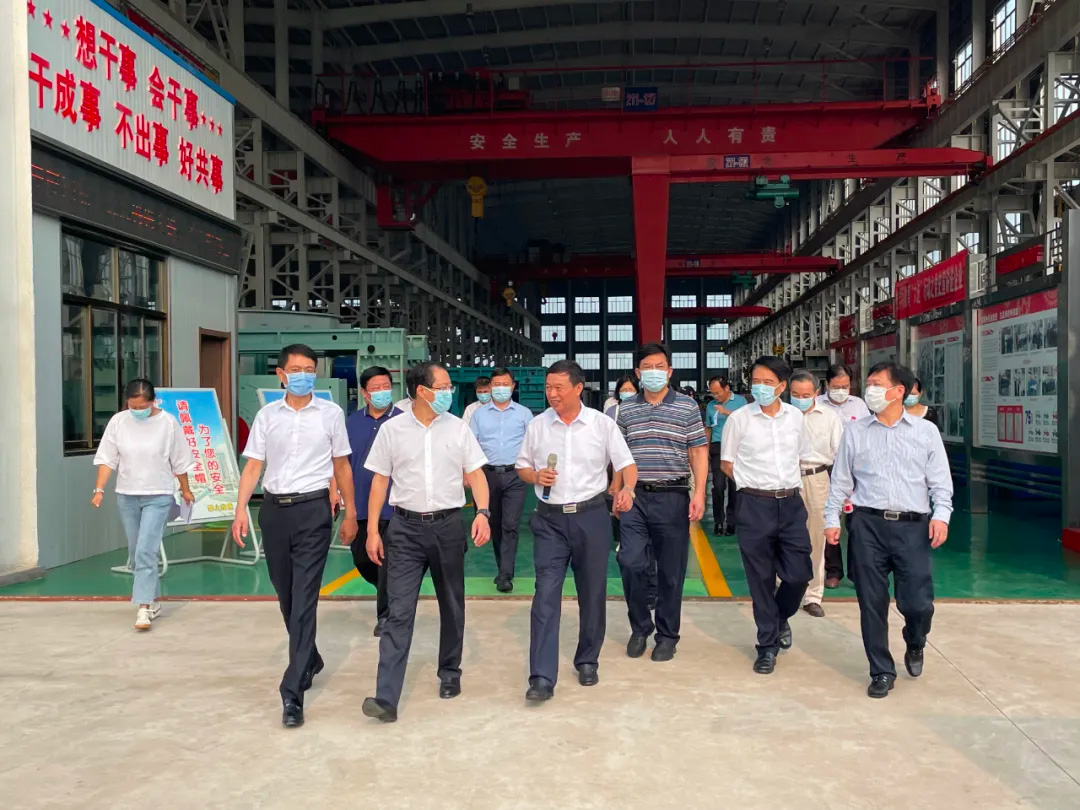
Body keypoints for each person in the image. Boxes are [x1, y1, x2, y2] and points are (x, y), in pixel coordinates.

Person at [232, 344, 357, 729]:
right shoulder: (267, 416)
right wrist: (240, 509)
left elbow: (342, 466)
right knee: (285, 593)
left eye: (309, 369)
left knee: (304, 597)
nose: (303, 375)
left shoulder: (331, 414)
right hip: (274, 511)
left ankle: (292, 692)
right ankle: (311, 658)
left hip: (314, 511)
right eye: (296, 369)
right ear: (281, 374)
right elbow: (253, 466)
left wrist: (351, 511)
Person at [361, 361, 491, 723]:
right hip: (404, 530)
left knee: (452, 604)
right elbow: (379, 482)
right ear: (422, 391)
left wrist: (483, 512)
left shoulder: (457, 428)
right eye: (444, 386)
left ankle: (449, 671)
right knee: (398, 611)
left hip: (447, 527)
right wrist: (372, 530)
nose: (450, 392)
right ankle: (386, 696)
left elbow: (476, 474)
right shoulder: (392, 430)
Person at [825, 362, 953, 699]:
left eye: (877, 384)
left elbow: (940, 481)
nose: (870, 390)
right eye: (868, 384)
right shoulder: (856, 431)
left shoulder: (925, 432)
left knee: (918, 603)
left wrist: (941, 516)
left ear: (899, 391)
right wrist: (831, 519)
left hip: (913, 527)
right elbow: (841, 480)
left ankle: (916, 639)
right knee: (871, 601)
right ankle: (881, 670)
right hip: (867, 525)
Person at [516, 360, 637, 700]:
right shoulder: (538, 425)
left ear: (578, 388)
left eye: (559, 388)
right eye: (548, 388)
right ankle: (541, 678)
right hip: (549, 521)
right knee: (545, 595)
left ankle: (587, 659)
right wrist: (535, 476)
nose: (552, 394)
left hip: (591, 517)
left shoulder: (601, 424)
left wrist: (628, 489)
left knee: (592, 592)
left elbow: (626, 463)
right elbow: (522, 466)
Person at [615, 344, 709, 663]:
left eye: (660, 367)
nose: (653, 372)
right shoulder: (626, 409)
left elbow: (698, 451)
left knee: (671, 571)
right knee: (630, 561)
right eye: (647, 367)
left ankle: (667, 636)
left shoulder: (687, 406)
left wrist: (699, 493)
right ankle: (640, 626)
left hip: (673, 495)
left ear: (669, 371)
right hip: (634, 496)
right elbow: (619, 454)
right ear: (638, 373)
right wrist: (617, 491)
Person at [720, 355, 812, 675]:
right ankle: (767, 646)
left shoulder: (795, 418)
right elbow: (727, 462)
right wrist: (749, 486)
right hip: (754, 505)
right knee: (760, 578)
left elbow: (802, 455)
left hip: (790, 504)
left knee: (799, 574)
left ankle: (780, 616)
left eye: (767, 382)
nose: (760, 387)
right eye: (756, 381)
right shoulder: (739, 419)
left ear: (782, 386)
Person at [92, 378, 195, 631]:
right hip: (127, 495)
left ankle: (143, 607)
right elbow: (107, 459)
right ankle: (153, 598)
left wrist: (185, 489)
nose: (137, 411)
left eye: (142, 407)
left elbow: (179, 461)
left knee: (145, 550)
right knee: (136, 550)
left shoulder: (168, 423)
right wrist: (99, 489)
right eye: (132, 406)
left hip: (158, 495)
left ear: (153, 401)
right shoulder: (118, 422)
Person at [345, 365, 402, 637]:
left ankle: (386, 616)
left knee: (387, 562)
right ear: (365, 393)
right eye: (376, 388)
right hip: (360, 505)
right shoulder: (351, 423)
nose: (382, 392)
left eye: (386, 387)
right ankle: (391, 592)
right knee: (363, 560)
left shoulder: (403, 422)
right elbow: (341, 464)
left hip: (393, 506)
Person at [469, 367, 533, 593]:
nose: (501, 389)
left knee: (510, 524)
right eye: (496, 385)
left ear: (513, 386)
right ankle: (502, 567)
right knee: (494, 524)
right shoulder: (478, 415)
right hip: (487, 476)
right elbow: (471, 445)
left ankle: (506, 574)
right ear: (490, 386)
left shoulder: (524, 414)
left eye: (505, 384)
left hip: (516, 475)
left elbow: (532, 444)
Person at [788, 371, 843, 618]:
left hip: (817, 478)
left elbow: (840, 454)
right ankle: (783, 585)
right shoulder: (782, 416)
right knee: (782, 534)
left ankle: (812, 595)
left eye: (805, 395)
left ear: (816, 393)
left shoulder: (829, 418)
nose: (800, 399)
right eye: (795, 394)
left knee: (816, 538)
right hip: (784, 478)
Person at [819, 363, 871, 589]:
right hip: (827, 468)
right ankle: (833, 571)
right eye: (837, 386)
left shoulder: (859, 405)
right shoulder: (817, 405)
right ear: (827, 384)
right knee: (829, 519)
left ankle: (857, 572)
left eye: (845, 386)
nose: (841, 390)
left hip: (855, 470)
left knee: (856, 522)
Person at [705, 375, 747, 536]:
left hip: (737, 447)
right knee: (718, 485)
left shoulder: (741, 402)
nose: (715, 396)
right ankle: (718, 522)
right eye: (713, 393)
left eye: (718, 393)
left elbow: (746, 422)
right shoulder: (710, 406)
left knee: (735, 486)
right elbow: (708, 428)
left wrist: (727, 412)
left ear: (727, 388)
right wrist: (707, 449)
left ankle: (732, 522)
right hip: (718, 446)